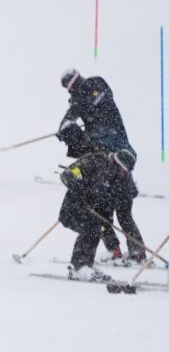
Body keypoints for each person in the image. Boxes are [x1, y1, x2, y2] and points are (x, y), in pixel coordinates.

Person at [57, 69, 144, 262]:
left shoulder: (81, 97)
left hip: (101, 152)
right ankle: (132, 251)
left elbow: (66, 124)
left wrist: (66, 129)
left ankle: (117, 250)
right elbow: (99, 102)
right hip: (115, 149)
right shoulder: (97, 84)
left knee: (105, 208)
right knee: (119, 209)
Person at [57, 151, 125, 281]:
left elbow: (106, 206)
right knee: (89, 228)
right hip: (74, 208)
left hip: (91, 212)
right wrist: (81, 193)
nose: (125, 172)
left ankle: (86, 264)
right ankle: (78, 266)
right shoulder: (97, 162)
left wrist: (106, 225)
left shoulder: (115, 178)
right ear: (118, 163)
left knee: (97, 228)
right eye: (124, 168)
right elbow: (70, 174)